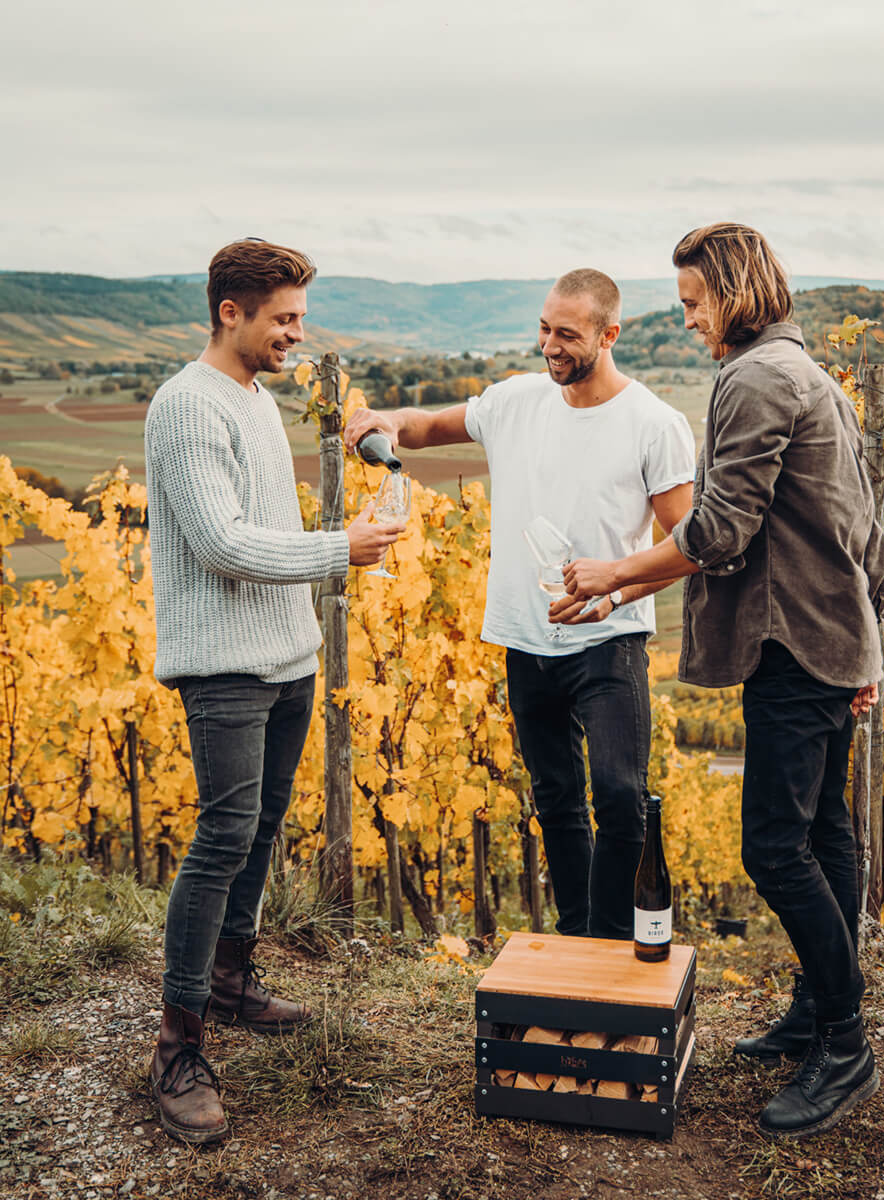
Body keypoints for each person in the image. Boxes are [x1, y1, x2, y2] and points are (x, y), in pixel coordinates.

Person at [564, 224, 884, 1139]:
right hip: (828, 637)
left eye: (695, 302)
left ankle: (847, 1044)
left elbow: (720, 531)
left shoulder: (754, 379)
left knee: (774, 848)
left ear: (736, 291)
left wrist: (615, 573)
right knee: (823, 831)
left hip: (792, 642)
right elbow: (865, 520)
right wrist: (868, 638)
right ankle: (819, 1010)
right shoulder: (807, 371)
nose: (692, 320)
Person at [345, 269, 695, 941]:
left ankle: (613, 946)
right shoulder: (515, 402)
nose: (550, 345)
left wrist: (615, 590)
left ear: (609, 334)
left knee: (621, 799)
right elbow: (424, 429)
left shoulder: (654, 423)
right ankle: (577, 944)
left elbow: (686, 547)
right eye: (544, 328)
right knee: (556, 803)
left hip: (608, 640)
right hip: (525, 641)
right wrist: (389, 420)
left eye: (567, 334)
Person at [144, 238, 402, 1145]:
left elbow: (262, 532)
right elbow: (221, 543)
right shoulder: (186, 406)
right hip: (223, 663)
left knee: (259, 829)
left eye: (299, 316)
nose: (298, 333)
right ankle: (177, 1048)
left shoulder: (253, 399)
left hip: (288, 654)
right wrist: (342, 549)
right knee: (221, 838)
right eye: (285, 318)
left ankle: (230, 977)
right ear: (232, 313)